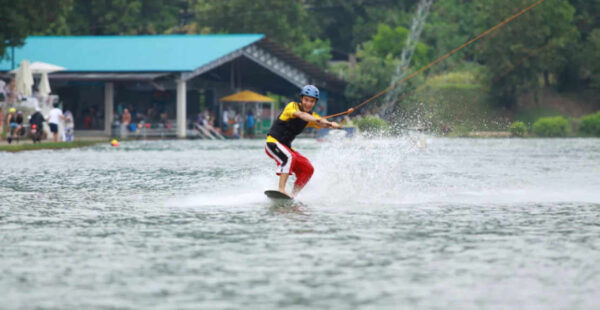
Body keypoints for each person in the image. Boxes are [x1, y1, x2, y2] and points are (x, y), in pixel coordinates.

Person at [265, 85, 341, 198]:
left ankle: (293, 195)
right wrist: (320, 121)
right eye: (306, 100)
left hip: (286, 147)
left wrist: (332, 125)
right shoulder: (292, 106)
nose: (308, 104)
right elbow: (301, 115)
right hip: (272, 143)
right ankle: (281, 189)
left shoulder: (313, 116)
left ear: (315, 102)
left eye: (312, 101)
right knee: (290, 157)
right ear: (301, 99)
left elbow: (322, 122)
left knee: (308, 169)